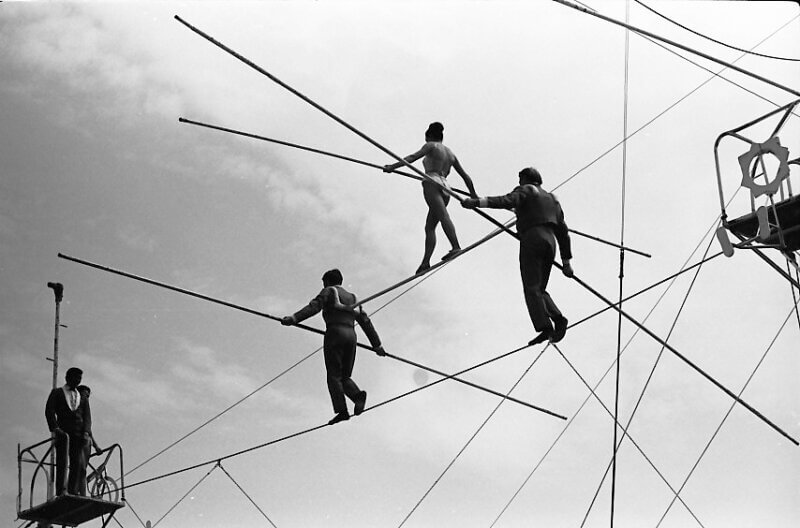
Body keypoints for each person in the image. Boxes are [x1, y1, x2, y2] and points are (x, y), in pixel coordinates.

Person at [462, 167, 574, 345]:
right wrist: (566, 262)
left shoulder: (527, 189)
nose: (519, 182)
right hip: (550, 242)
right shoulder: (553, 199)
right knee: (539, 289)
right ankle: (558, 318)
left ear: (526, 179)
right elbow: (563, 231)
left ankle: (545, 327)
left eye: (520, 179)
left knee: (531, 287)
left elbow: (506, 200)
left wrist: (477, 202)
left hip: (533, 238)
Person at [281, 269, 386, 425]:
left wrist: (294, 318)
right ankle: (357, 396)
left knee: (333, 376)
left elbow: (314, 307)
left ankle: (342, 411)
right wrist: (377, 345)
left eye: (323, 282)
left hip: (335, 333)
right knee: (344, 376)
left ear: (328, 281)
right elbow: (365, 321)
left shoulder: (329, 291)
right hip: (351, 336)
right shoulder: (353, 298)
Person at [384, 122, 478, 274]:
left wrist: (392, 167)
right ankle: (425, 262)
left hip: (432, 182)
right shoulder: (450, 153)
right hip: (447, 187)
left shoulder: (431, 146)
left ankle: (456, 246)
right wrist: (474, 195)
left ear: (429, 136)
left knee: (443, 216)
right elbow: (465, 176)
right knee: (430, 226)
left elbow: (412, 158)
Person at [45, 367, 91, 496]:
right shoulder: (57, 392)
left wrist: (86, 432)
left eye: (79, 378)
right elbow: (49, 411)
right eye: (75, 377)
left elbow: (87, 417)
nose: (77, 380)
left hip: (78, 435)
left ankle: (72, 490)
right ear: (67, 378)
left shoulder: (82, 397)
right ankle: (61, 491)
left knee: (76, 463)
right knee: (62, 462)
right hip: (63, 434)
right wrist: (55, 428)